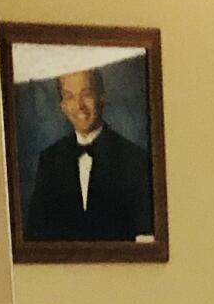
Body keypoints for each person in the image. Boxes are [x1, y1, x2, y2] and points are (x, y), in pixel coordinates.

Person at [21, 65, 154, 243]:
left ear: (102, 98)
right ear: (63, 106)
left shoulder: (134, 159)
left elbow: (146, 238)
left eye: (86, 94)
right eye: (70, 97)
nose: (79, 106)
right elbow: (34, 237)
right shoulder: (50, 160)